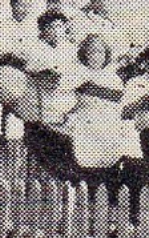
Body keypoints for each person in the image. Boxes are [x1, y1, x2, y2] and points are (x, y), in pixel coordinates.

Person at [60, 34, 141, 171]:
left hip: (109, 118)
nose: (96, 56)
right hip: (85, 118)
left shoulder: (112, 78)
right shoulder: (77, 73)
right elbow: (66, 96)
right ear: (85, 54)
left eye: (100, 52)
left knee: (124, 135)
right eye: (92, 51)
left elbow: (119, 104)